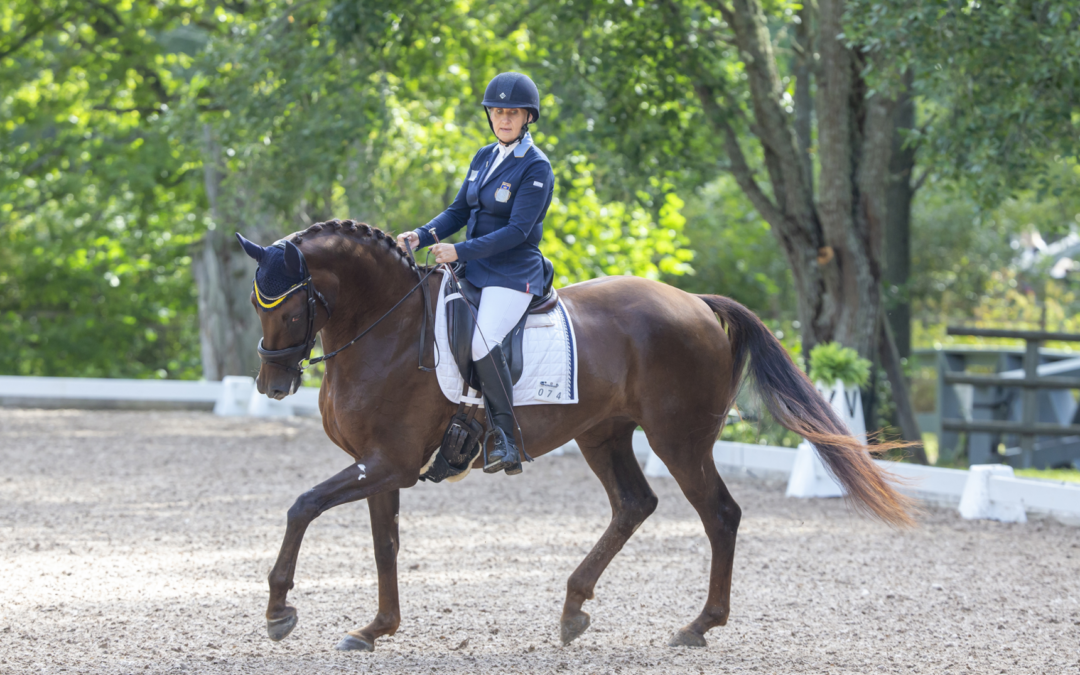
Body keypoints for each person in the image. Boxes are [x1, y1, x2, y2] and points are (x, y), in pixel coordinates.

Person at [397, 72, 555, 476]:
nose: (504, 119)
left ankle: (506, 438)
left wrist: (459, 250)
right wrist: (420, 234)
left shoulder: (535, 167)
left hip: (512, 273)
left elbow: (518, 231)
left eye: (512, 113)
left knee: (484, 344)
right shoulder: (485, 157)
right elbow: (459, 212)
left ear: (527, 118)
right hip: (474, 267)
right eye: (498, 112)